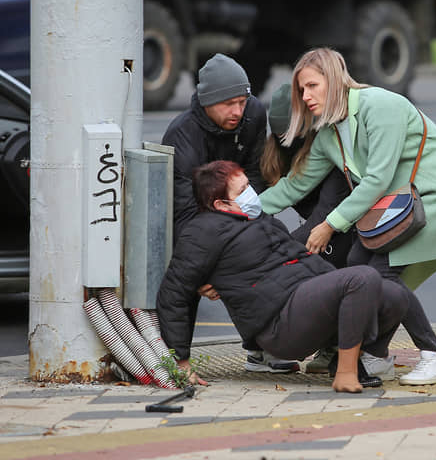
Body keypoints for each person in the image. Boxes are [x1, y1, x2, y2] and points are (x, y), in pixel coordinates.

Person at [259, 47, 436, 386]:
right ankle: (376, 354)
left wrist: (329, 225)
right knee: (360, 263)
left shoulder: (381, 106)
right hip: (400, 203)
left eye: (312, 86)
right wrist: (242, 209)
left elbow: (377, 179)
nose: (305, 97)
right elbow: (294, 187)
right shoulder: (329, 134)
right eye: (301, 90)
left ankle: (435, 355)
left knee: (380, 275)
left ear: (334, 81)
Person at [156, 160, 410, 394]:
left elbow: (298, 259)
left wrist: (338, 288)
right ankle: (345, 374)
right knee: (361, 278)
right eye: (242, 190)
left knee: (394, 294)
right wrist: (181, 361)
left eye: (248, 185)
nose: (251, 193)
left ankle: (347, 360)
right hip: (279, 324)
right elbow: (173, 294)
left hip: (305, 303)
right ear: (221, 204)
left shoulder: (259, 218)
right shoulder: (202, 232)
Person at [161, 54, 294, 375]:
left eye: (242, 101)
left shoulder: (252, 115)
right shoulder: (182, 135)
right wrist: (205, 271)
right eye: (228, 104)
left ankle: (261, 349)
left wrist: (253, 228)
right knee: (187, 279)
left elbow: (255, 174)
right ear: (207, 102)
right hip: (193, 219)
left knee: (266, 257)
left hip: (237, 207)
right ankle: (177, 361)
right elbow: (183, 211)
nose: (238, 111)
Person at [260, 83, 355, 374]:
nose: (290, 143)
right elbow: (271, 201)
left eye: (297, 135)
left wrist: (280, 253)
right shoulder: (275, 153)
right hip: (319, 229)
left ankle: (337, 348)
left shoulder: (330, 149)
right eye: (282, 138)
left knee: (337, 276)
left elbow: (324, 213)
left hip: (345, 226)